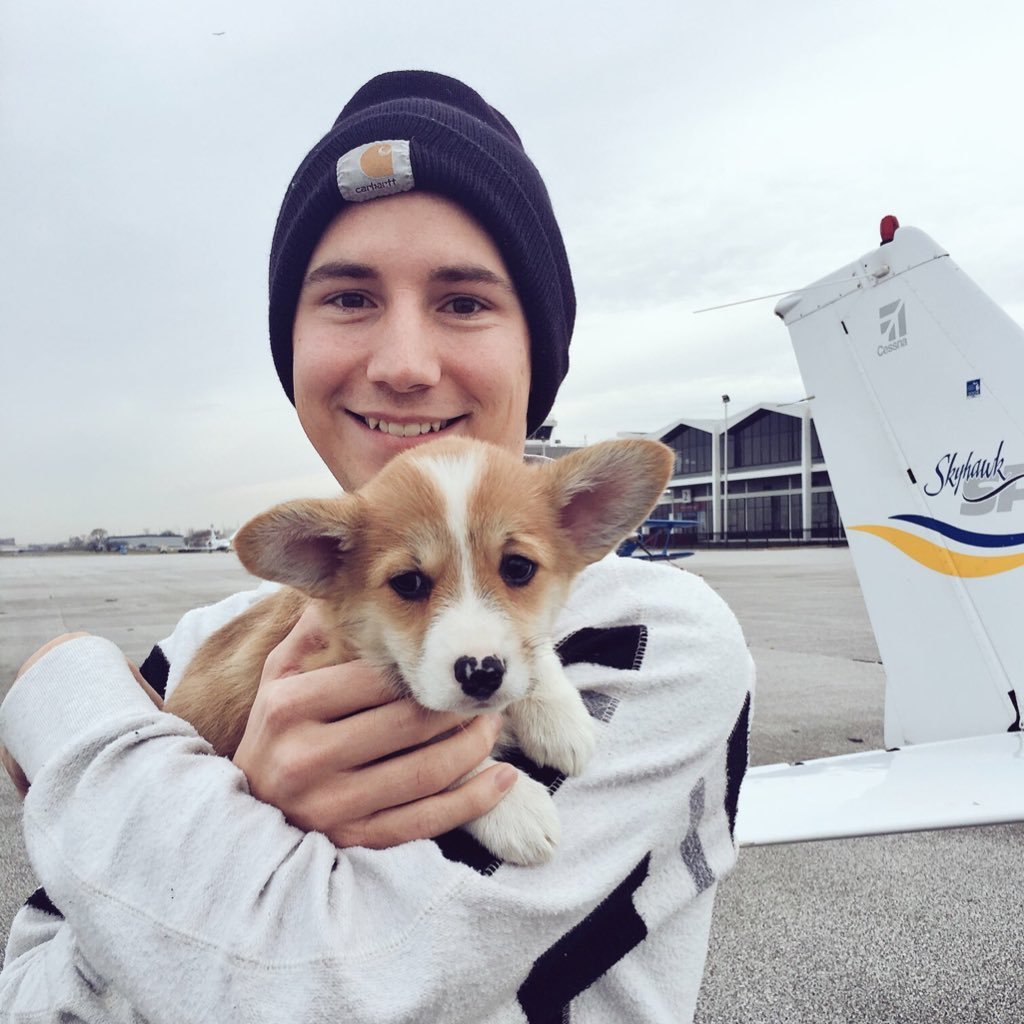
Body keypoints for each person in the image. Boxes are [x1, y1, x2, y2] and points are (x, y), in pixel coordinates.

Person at [0, 71, 754, 1022]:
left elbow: (307, 991)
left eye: (466, 302)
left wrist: (69, 702)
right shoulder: (197, 648)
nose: (403, 365)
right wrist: (247, 811)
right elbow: (29, 988)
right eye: (349, 297)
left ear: (540, 349)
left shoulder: (655, 643)